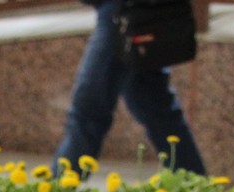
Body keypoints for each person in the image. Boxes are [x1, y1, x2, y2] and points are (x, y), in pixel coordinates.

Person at [55, 0, 207, 176]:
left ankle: (58, 187)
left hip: (124, 8)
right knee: (152, 104)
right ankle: (195, 183)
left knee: (89, 107)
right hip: (124, 9)